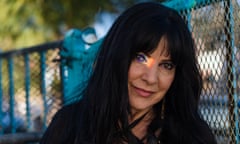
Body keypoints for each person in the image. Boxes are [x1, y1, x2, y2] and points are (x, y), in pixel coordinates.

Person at [40, 2, 217, 144]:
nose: (150, 78)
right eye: (140, 58)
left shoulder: (191, 136)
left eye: (167, 65)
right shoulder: (70, 125)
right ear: (116, 56)